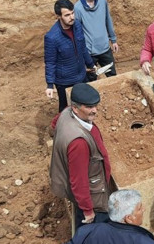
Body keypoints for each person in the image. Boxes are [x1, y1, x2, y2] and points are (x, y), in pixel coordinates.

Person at [50, 83, 116, 234]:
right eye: (89, 107)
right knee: (92, 231)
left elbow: (54, 124)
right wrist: (88, 210)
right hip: (93, 197)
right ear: (75, 107)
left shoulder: (66, 113)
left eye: (95, 106)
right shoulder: (78, 143)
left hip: (84, 192)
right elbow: (78, 180)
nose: (95, 111)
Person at [44, 0, 95, 112]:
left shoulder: (77, 25)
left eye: (72, 13)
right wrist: (50, 85)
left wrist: (91, 64)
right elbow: (50, 62)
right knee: (66, 108)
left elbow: (82, 47)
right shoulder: (52, 37)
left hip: (81, 75)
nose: (72, 17)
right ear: (58, 16)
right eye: (67, 15)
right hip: (64, 81)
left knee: (85, 103)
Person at [74, 0, 118, 80]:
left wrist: (113, 40)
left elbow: (108, 20)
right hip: (89, 53)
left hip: (105, 49)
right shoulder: (78, 8)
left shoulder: (103, 1)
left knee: (113, 78)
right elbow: (77, 32)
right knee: (91, 81)